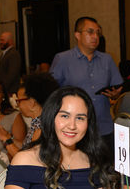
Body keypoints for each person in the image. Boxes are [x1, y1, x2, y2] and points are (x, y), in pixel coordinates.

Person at [3, 86, 117, 189]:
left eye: (80, 118)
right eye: (64, 116)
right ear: (51, 117)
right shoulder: (25, 160)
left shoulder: (94, 160)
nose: (72, 126)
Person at [50, 16, 122, 151]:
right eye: (90, 32)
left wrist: (114, 94)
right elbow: (52, 94)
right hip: (74, 129)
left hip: (103, 127)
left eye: (98, 33)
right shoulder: (63, 59)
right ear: (77, 35)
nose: (95, 37)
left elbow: (117, 88)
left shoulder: (107, 60)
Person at [15, 73, 59, 151]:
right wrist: (7, 137)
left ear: (32, 102)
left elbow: (28, 156)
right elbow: (25, 147)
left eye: (19, 101)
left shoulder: (41, 128)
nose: (18, 105)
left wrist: (7, 141)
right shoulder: (37, 123)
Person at [0, 31, 23, 96]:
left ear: (10, 41)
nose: (0, 42)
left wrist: (1, 88)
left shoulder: (13, 54)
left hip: (10, 91)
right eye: (0, 40)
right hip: (5, 90)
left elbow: (12, 75)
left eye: (3, 40)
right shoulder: (5, 53)